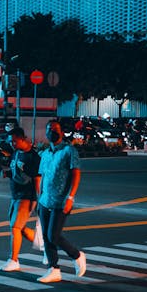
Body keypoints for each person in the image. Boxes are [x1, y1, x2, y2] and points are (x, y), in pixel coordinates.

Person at [36, 118, 86, 283]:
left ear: (62, 132)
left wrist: (70, 197)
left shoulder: (69, 151)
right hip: (45, 200)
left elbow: (76, 174)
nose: (52, 131)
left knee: (53, 236)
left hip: (61, 201)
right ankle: (53, 269)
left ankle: (76, 255)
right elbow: (42, 176)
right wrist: (39, 197)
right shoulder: (45, 153)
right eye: (49, 129)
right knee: (46, 236)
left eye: (55, 129)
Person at [0, 127, 41, 272]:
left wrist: (38, 200)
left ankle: (14, 260)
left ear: (23, 139)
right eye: (11, 142)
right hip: (15, 195)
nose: (12, 144)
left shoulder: (33, 157)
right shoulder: (17, 153)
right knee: (21, 229)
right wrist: (7, 173)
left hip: (26, 197)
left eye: (15, 141)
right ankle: (45, 244)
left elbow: (37, 180)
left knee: (15, 227)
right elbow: (16, 170)